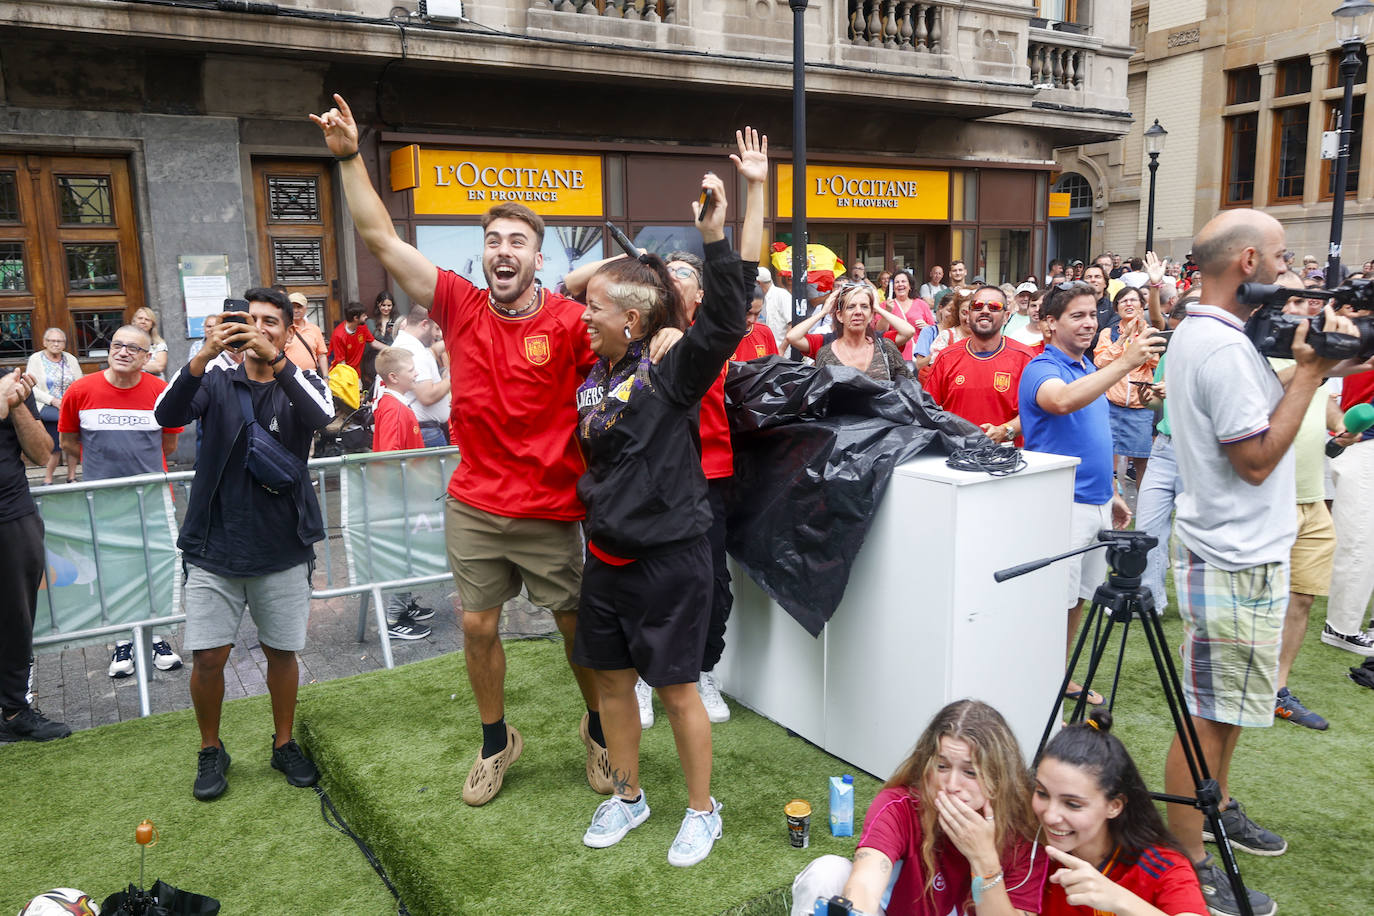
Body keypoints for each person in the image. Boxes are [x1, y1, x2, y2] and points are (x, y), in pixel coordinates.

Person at [314, 92, 611, 806]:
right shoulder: (458, 302)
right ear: (483, 255)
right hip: (477, 501)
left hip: (549, 504)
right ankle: (495, 741)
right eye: (494, 240)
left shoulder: (573, 322)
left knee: (575, 627)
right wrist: (352, 156)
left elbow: (634, 341)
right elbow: (382, 239)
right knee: (476, 625)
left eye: (517, 242)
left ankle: (600, 727)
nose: (502, 251)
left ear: (538, 258)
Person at [1163, 209, 1356, 916]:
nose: (1287, 267)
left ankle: (1217, 811)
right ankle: (1186, 860)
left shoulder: (1216, 335)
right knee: (1207, 717)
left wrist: (1316, 365)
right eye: (1278, 256)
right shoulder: (1217, 348)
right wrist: (1310, 374)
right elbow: (1253, 460)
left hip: (1240, 552)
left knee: (1226, 711)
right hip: (1233, 555)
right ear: (1246, 261)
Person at [572, 171, 744, 867]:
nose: (583, 316)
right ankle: (629, 795)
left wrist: (714, 237)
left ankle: (704, 812)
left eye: (596, 309)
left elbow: (728, 322)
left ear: (633, 321)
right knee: (613, 685)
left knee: (676, 692)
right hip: (606, 562)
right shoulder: (595, 372)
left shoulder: (669, 372)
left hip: (670, 562)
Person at [154, 287, 333, 801]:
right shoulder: (213, 377)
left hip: (282, 545)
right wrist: (205, 352)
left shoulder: (300, 380)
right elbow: (166, 415)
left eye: (269, 322)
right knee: (208, 657)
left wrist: (276, 360)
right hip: (215, 545)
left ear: (287, 330)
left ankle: (284, 742)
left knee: (282, 651)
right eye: (247, 320)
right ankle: (211, 748)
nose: (256, 328)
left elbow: (324, 417)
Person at [1018, 282, 1162, 709]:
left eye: (1091, 314)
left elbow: (1095, 439)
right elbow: (1059, 403)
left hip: (1097, 501)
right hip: (1060, 505)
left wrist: (1114, 492)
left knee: (1078, 597)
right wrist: (1123, 365)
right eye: (1076, 316)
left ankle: (1058, 676)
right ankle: (1037, 685)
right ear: (1049, 324)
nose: (1088, 323)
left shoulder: (1087, 369)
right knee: (1052, 602)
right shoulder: (1043, 367)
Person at [790, 699, 1048, 916]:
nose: (951, 785)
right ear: (927, 767)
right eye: (942, 766)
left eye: (970, 772)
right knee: (827, 873)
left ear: (998, 778)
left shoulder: (1024, 834)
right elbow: (865, 883)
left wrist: (984, 860)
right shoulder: (901, 805)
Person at [1034, 709, 1207, 915]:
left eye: (1073, 804)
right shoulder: (1027, 842)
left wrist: (1120, 900)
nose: (1050, 816)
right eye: (1042, 793)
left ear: (1114, 806)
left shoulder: (1162, 866)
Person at [0, 368, 71, 743]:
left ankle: (14, 711)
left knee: (16, 619)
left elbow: (43, 453)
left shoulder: (10, 383)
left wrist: (14, 406)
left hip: (13, 516)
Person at [57, 324, 182, 482]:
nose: (122, 353)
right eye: (117, 345)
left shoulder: (164, 393)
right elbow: (67, 443)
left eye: (133, 348)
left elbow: (169, 445)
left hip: (152, 491)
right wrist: (100, 461)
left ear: (147, 358)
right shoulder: (78, 391)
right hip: (101, 492)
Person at [369, 345, 434, 642]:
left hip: (402, 497)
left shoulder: (393, 405)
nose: (417, 373)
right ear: (394, 377)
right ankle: (394, 618)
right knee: (402, 556)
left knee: (406, 553)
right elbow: (391, 457)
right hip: (400, 499)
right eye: (411, 370)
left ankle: (403, 606)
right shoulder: (394, 409)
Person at [926, 286, 1034, 445]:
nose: (984, 311)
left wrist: (1006, 430)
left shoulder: (1025, 358)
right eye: (977, 306)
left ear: (1006, 316)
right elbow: (927, 410)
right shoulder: (946, 357)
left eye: (994, 307)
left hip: (1007, 459)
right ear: (968, 315)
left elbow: (1036, 412)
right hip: (956, 457)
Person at [1093, 286, 1162, 484]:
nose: (1128, 304)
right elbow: (1101, 362)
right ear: (1116, 309)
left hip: (1140, 407)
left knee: (1142, 461)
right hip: (1111, 405)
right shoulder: (1108, 333)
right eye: (1123, 301)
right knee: (1104, 458)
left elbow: (1157, 364)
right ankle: (1109, 503)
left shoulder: (1151, 333)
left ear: (1142, 306)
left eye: (1133, 300)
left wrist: (1141, 337)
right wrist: (1123, 339)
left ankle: (1143, 511)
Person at [785, 283, 915, 382]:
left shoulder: (883, 343)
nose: (858, 312)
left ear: (870, 316)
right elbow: (792, 337)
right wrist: (823, 312)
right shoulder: (825, 344)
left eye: (864, 306)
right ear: (840, 316)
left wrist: (877, 308)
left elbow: (908, 331)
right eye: (851, 307)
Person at [389, 305, 452, 448]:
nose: (439, 335)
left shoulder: (406, 343)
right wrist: (453, 376)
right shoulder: (414, 351)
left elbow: (431, 351)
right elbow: (427, 396)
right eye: (436, 329)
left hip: (423, 431)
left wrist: (457, 339)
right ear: (424, 324)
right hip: (426, 433)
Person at [26, 327, 81, 484]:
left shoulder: (70, 359)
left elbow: (79, 383)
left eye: (60, 341)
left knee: (72, 440)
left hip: (69, 406)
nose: (56, 344)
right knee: (55, 444)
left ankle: (72, 476)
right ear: (44, 342)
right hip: (47, 406)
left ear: (64, 344)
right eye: (52, 341)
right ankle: (48, 479)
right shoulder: (36, 359)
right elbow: (31, 387)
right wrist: (53, 400)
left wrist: (70, 400)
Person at [329, 302, 384, 373]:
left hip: (356, 371)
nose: (366, 317)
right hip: (341, 373)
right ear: (355, 318)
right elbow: (341, 363)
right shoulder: (339, 335)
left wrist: (392, 348)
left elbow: (373, 343)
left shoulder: (362, 327)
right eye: (364, 316)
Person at [284, 292, 329, 377]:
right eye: (292, 307)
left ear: (305, 308)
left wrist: (326, 377)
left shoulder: (315, 329)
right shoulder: (283, 329)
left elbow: (321, 355)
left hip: (311, 376)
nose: (296, 310)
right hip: (289, 377)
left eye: (299, 307)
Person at [733, 286, 780, 361]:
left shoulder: (765, 332)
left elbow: (774, 367)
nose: (751, 320)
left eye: (757, 314)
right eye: (748, 313)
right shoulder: (721, 335)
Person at [757, 267, 793, 352]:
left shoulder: (782, 295)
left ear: (758, 283)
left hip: (780, 351)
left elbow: (792, 324)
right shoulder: (759, 297)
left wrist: (781, 349)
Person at [131, 306, 169, 377]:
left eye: (147, 319)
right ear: (134, 321)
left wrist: (134, 363)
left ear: (152, 324)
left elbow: (159, 367)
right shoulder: (126, 342)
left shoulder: (159, 344)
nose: (143, 321)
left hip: (154, 384)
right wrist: (148, 365)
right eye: (140, 318)